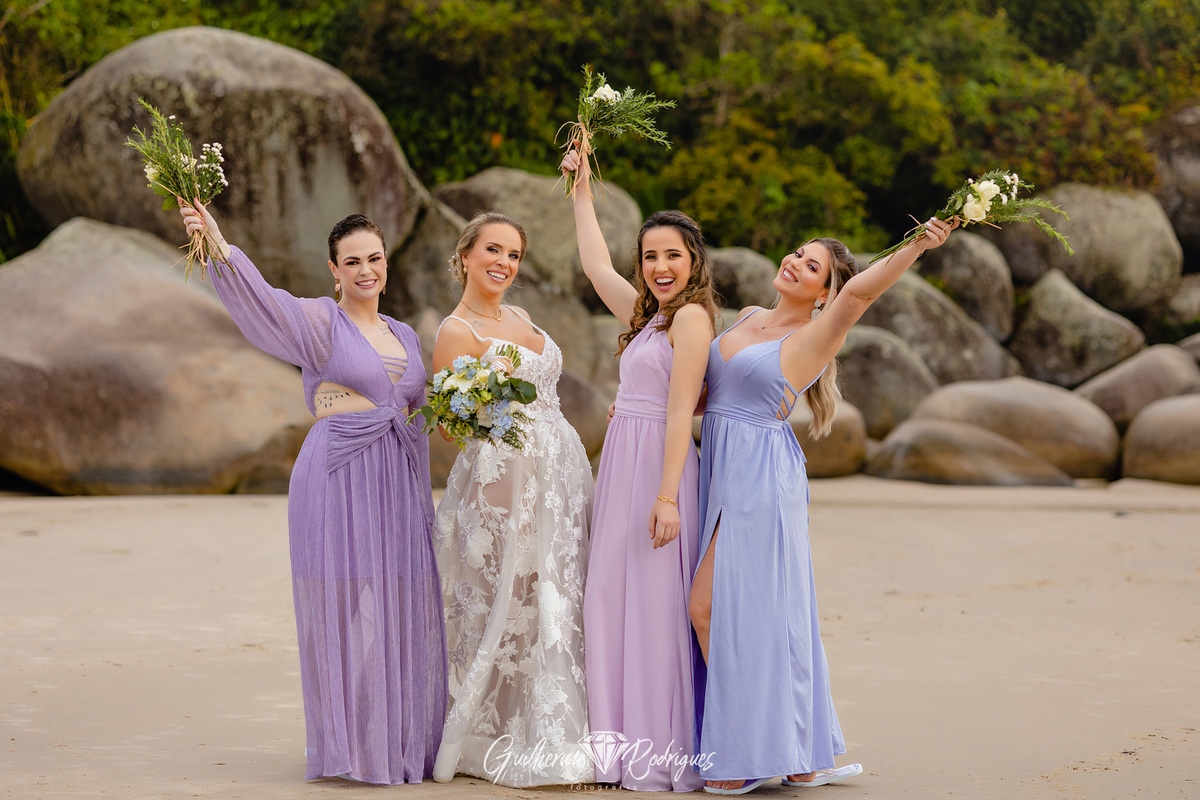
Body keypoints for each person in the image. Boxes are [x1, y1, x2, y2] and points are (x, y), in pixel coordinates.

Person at [177, 201, 447, 784]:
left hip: (397, 481)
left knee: (400, 601)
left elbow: (418, 418)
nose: (366, 271)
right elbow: (264, 304)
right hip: (337, 473)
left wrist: (424, 502)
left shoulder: (405, 335)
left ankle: (397, 744)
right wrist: (217, 242)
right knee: (344, 606)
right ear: (334, 269)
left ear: (386, 262)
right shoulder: (320, 322)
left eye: (374, 258)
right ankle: (349, 749)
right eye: (353, 262)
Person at [688, 218, 957, 794]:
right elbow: (709, 393)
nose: (794, 263)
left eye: (812, 266)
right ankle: (791, 753)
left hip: (759, 476)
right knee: (751, 612)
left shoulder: (818, 333)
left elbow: (863, 291)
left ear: (825, 294)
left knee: (711, 608)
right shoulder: (745, 320)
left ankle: (751, 750)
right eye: (797, 253)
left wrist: (916, 244)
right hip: (720, 467)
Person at [561, 151, 717, 791]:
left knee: (653, 610)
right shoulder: (646, 317)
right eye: (650, 256)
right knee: (609, 601)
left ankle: (660, 754)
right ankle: (615, 751)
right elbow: (595, 264)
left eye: (672, 256)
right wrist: (581, 190)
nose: (659, 267)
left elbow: (682, 410)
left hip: (660, 468)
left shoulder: (692, 318)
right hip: (622, 465)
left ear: (694, 262)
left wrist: (668, 497)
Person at [430, 212, 595, 787]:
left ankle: (552, 720)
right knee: (513, 593)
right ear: (466, 256)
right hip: (507, 476)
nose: (504, 263)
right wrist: (488, 404)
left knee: (559, 592)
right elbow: (453, 427)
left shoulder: (520, 316)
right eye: (493, 250)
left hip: (560, 474)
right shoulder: (456, 332)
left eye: (514, 255)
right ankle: (500, 734)